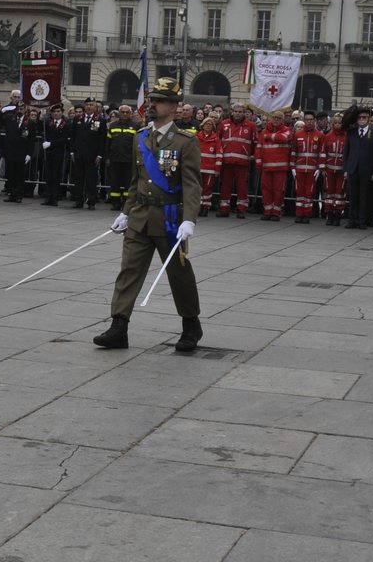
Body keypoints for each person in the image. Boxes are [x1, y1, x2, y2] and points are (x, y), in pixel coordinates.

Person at [92, 77, 203, 354]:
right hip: (140, 216)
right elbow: (137, 180)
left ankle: (191, 324)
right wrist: (126, 212)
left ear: (175, 107)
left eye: (160, 100)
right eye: (152, 99)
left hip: (169, 218)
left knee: (179, 274)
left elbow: (192, 184)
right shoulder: (141, 137)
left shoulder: (186, 141)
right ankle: (119, 326)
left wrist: (189, 219)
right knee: (128, 271)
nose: (153, 104)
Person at [342, 107, 373, 229]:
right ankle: (352, 219)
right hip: (353, 168)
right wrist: (346, 169)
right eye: (359, 118)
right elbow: (346, 152)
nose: (362, 120)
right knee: (352, 196)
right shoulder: (351, 132)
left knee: (364, 196)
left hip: (366, 170)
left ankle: (361, 220)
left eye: (364, 117)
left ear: (369, 119)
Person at [215, 103, 255, 216]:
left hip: (242, 162)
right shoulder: (224, 124)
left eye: (240, 112)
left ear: (244, 113)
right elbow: (218, 141)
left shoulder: (250, 125)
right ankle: (224, 209)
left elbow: (254, 142)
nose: (238, 114)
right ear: (232, 112)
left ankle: (241, 210)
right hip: (226, 161)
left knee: (242, 186)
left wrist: (251, 155)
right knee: (225, 185)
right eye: (236, 111)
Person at [69, 99, 106, 209]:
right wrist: (72, 151)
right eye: (87, 105)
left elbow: (102, 139)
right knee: (78, 178)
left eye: (91, 105)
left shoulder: (100, 120)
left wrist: (100, 155)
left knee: (91, 179)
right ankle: (78, 200)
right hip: (79, 153)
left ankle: (91, 201)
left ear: (96, 107)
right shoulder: (78, 119)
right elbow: (73, 136)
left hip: (92, 155)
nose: (89, 107)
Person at [256, 110, 291, 221]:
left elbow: (285, 138)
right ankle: (267, 211)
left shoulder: (287, 130)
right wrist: (258, 162)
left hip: (280, 168)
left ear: (283, 120)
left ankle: (276, 212)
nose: (276, 119)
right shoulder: (263, 132)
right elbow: (258, 149)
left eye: (278, 118)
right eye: (274, 117)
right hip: (266, 167)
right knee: (266, 189)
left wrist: (270, 137)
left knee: (278, 190)